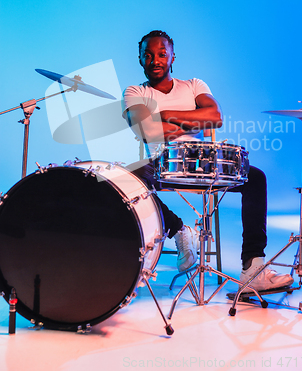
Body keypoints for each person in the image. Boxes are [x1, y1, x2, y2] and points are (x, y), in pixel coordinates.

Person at [122, 30, 293, 291]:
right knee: (125, 181)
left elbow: (215, 116)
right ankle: (179, 230)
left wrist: (164, 115)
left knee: (255, 178)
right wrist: (192, 119)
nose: (155, 60)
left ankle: (253, 269)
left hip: (202, 163)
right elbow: (146, 131)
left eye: (161, 54)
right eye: (148, 55)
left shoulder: (194, 85)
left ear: (172, 57)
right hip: (161, 164)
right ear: (140, 60)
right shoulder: (135, 91)